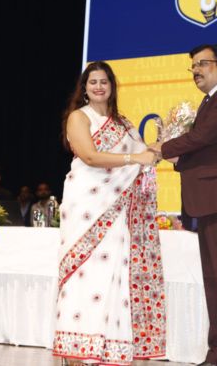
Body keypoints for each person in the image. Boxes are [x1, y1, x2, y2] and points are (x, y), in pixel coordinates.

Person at [53, 61, 166, 365]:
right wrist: (134, 156)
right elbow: (89, 155)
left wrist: (166, 144)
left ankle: (109, 348)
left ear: (112, 86)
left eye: (104, 81)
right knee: (85, 273)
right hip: (88, 204)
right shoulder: (79, 117)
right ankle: (77, 350)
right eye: (93, 82)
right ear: (85, 88)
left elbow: (144, 156)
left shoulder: (124, 124)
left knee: (114, 272)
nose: (99, 87)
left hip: (120, 210)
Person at [153, 44, 217, 366]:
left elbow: (205, 137)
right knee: (214, 283)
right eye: (193, 67)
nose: (197, 71)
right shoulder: (209, 102)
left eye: (203, 64)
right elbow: (204, 149)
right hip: (209, 199)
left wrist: (162, 148)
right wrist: (176, 155)